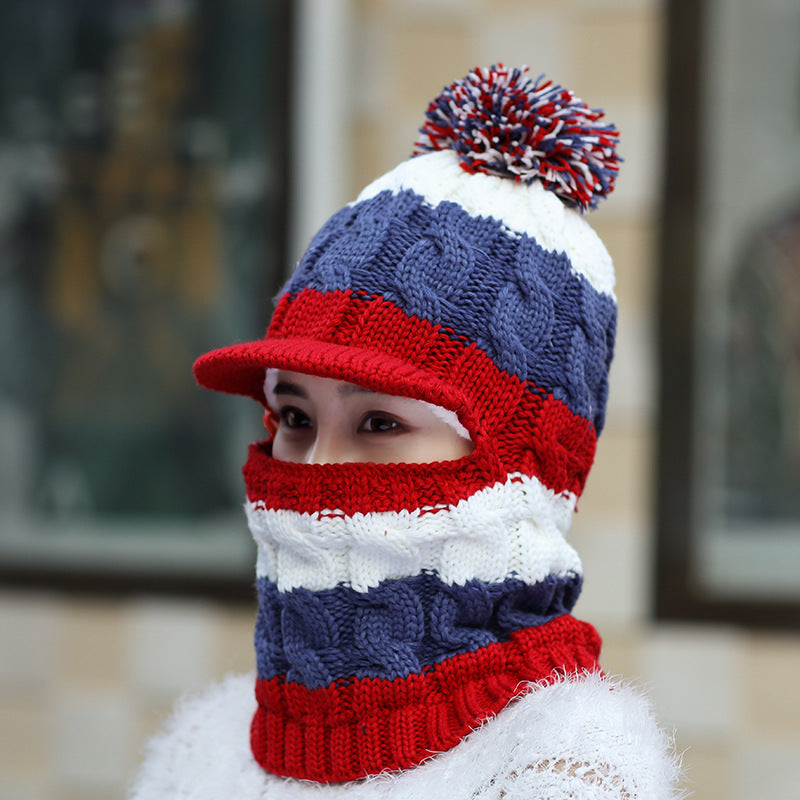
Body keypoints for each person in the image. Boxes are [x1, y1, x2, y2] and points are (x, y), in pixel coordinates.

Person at [130, 65, 682, 799]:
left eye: (380, 422)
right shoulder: (203, 749)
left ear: (523, 476)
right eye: (294, 418)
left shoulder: (560, 776)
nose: (317, 467)